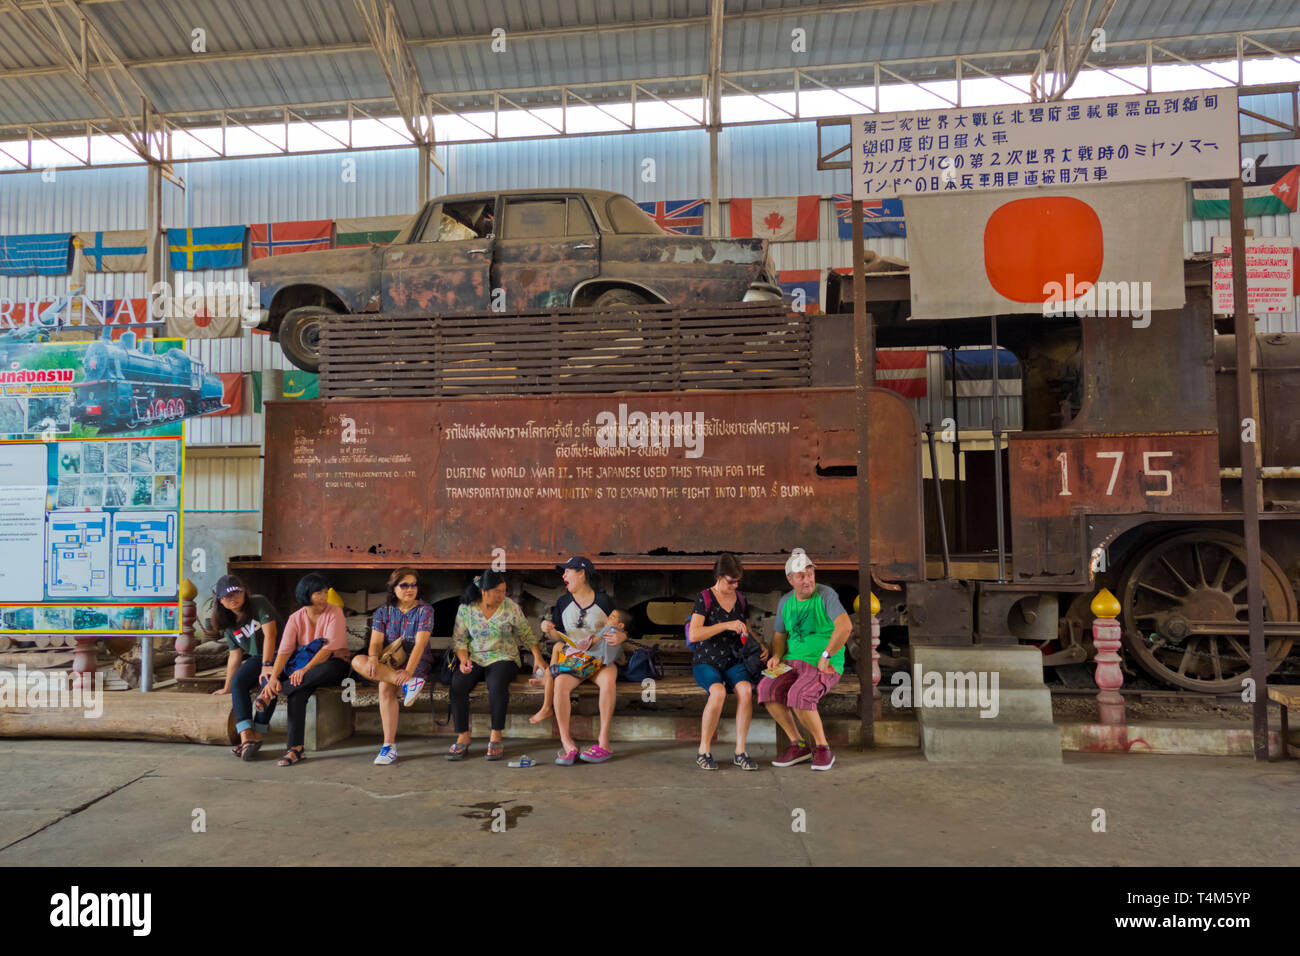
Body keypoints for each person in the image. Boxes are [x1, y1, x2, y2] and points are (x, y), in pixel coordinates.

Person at [758, 548, 852, 772]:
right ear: (790, 579)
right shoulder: (785, 602)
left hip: (822, 662)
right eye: (801, 576)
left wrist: (826, 655)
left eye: (810, 574)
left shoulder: (826, 595)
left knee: (799, 694)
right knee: (766, 689)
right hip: (791, 662)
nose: (807, 580)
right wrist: (777, 655)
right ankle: (798, 745)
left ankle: (822, 747)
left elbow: (845, 626)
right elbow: (779, 635)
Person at [447, 569, 546, 761]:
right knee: (458, 684)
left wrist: (538, 657)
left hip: (504, 656)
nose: (502, 595)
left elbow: (526, 634)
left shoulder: (510, 607)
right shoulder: (466, 608)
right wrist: (463, 659)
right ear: (484, 590)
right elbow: (459, 640)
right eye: (497, 591)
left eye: (504, 591)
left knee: (497, 684)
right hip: (475, 657)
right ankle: (463, 735)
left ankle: (496, 735)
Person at [259, 572, 351, 767]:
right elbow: (284, 651)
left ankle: (271, 693)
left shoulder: (335, 612)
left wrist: (305, 669)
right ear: (306, 594)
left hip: (333, 664)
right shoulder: (295, 618)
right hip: (302, 671)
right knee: (297, 691)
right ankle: (295, 749)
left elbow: (328, 649)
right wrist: (274, 677)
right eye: (319, 593)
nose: (324, 597)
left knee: (307, 676)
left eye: (326, 592)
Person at [688, 554, 767, 771]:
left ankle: (740, 751)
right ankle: (703, 750)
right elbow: (694, 634)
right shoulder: (704, 597)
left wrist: (760, 647)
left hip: (734, 659)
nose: (735, 585)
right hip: (707, 660)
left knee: (746, 691)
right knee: (718, 692)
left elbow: (747, 629)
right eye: (731, 581)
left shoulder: (740, 599)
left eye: (737, 581)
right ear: (719, 577)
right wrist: (725, 625)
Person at [543, 556, 624, 765]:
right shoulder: (563, 603)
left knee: (608, 682)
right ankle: (567, 743)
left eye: (567, 571)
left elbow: (621, 629)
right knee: (560, 685)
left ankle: (604, 742)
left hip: (601, 659)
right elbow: (557, 636)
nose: (563, 576)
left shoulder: (604, 601)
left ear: (581, 573)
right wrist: (549, 630)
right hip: (575, 660)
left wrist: (620, 636)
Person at [349, 568, 434, 765]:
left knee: (384, 688)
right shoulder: (383, 611)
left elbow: (420, 644)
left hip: (416, 661)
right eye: (404, 585)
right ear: (393, 588)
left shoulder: (425, 610)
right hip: (390, 662)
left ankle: (388, 746)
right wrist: (372, 658)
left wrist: (409, 672)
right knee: (357, 661)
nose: (410, 589)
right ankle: (408, 683)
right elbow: (376, 643)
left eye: (413, 585)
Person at [209, 574, 281, 761]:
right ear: (220, 600)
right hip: (258, 657)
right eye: (227, 596)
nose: (233, 599)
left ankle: (257, 734)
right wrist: (227, 687)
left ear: (244, 592)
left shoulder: (258, 602)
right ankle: (246, 735)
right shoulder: (226, 622)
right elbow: (235, 655)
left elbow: (270, 634)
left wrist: (267, 665)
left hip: (282, 652)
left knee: (267, 682)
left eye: (237, 593)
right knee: (238, 682)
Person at [529, 608, 630, 726]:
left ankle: (546, 707)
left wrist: (575, 646)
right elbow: (620, 659)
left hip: (586, 662)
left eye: (612, 617)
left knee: (551, 669)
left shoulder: (609, 630)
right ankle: (548, 680)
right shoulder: (618, 636)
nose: (607, 618)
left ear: (620, 625)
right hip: (592, 662)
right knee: (557, 648)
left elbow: (591, 642)